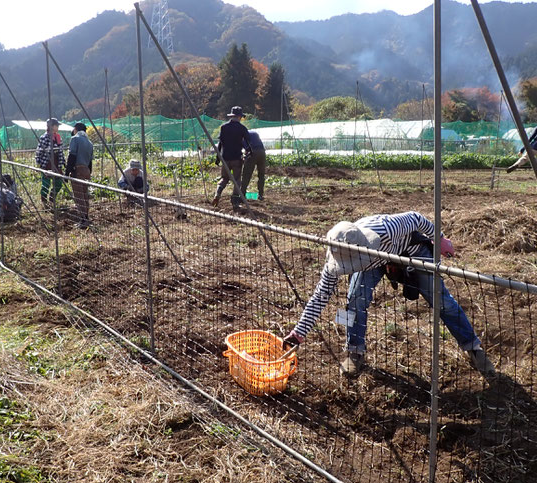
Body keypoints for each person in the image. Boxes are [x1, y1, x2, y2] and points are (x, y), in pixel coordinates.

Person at [282, 212, 494, 378]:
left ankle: (473, 347)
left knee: (440, 299)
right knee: (356, 298)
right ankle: (355, 351)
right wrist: (299, 333)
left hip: (410, 250)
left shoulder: (387, 230)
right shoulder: (338, 252)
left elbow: (416, 218)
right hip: (375, 260)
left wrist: (439, 239)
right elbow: (320, 296)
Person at [210, 106, 252, 210]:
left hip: (225, 157)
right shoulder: (242, 128)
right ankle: (235, 202)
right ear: (239, 117)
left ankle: (218, 193)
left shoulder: (224, 127)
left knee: (224, 178)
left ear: (232, 116)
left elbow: (220, 143)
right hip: (236, 158)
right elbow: (248, 141)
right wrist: (248, 151)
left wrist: (218, 157)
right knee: (237, 180)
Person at [65, 122, 94, 226]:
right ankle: (86, 216)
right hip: (86, 170)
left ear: (76, 129)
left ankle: (83, 219)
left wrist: (67, 172)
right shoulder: (89, 142)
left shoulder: (75, 139)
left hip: (77, 169)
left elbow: (72, 155)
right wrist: (89, 172)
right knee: (85, 194)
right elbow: (90, 161)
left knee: (78, 195)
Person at [36, 118, 65, 208]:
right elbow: (39, 151)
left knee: (59, 183)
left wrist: (63, 162)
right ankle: (44, 202)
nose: (58, 127)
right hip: (47, 163)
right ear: (52, 126)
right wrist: (39, 163)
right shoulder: (44, 137)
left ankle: (52, 198)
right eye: (56, 126)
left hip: (57, 163)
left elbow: (61, 151)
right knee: (46, 183)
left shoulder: (58, 137)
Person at [241, 129, 267, 201]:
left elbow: (247, 149)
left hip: (253, 153)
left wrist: (244, 158)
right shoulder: (254, 133)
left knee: (246, 174)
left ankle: (242, 194)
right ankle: (260, 194)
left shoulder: (241, 137)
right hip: (262, 153)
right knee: (261, 175)